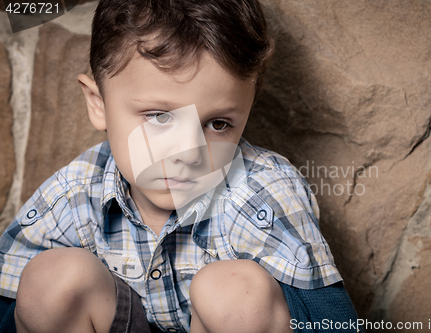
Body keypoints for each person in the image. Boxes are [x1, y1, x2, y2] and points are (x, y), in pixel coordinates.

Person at [0, 0, 363, 332]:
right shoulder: (75, 192)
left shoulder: (263, 191)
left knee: (237, 294)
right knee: (51, 280)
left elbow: (331, 320)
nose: (189, 153)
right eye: (159, 116)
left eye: (218, 123)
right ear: (98, 103)